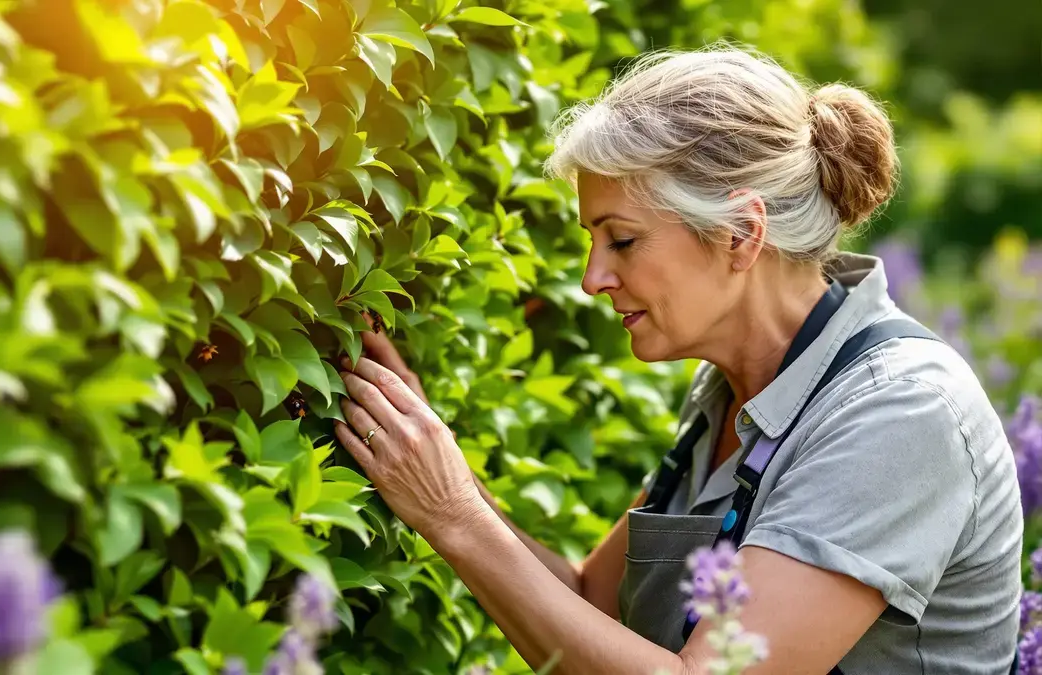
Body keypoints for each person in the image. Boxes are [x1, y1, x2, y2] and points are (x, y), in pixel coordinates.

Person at [332, 45, 1023, 674]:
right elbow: (586, 602)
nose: (591, 279)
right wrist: (434, 463)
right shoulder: (737, 387)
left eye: (622, 241)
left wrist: (455, 515)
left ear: (740, 234)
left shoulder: (898, 410)